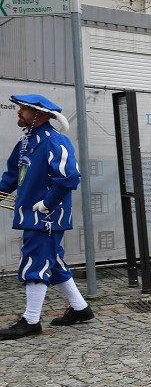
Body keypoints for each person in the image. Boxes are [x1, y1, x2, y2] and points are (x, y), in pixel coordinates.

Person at [0, 94, 95, 340]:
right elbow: (11, 177)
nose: (19, 112)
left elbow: (70, 178)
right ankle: (81, 309)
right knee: (53, 263)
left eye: (23, 110)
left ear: (39, 115)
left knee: (35, 262)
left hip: (47, 217)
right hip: (34, 216)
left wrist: (47, 203)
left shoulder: (55, 141)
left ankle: (31, 321)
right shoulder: (25, 142)